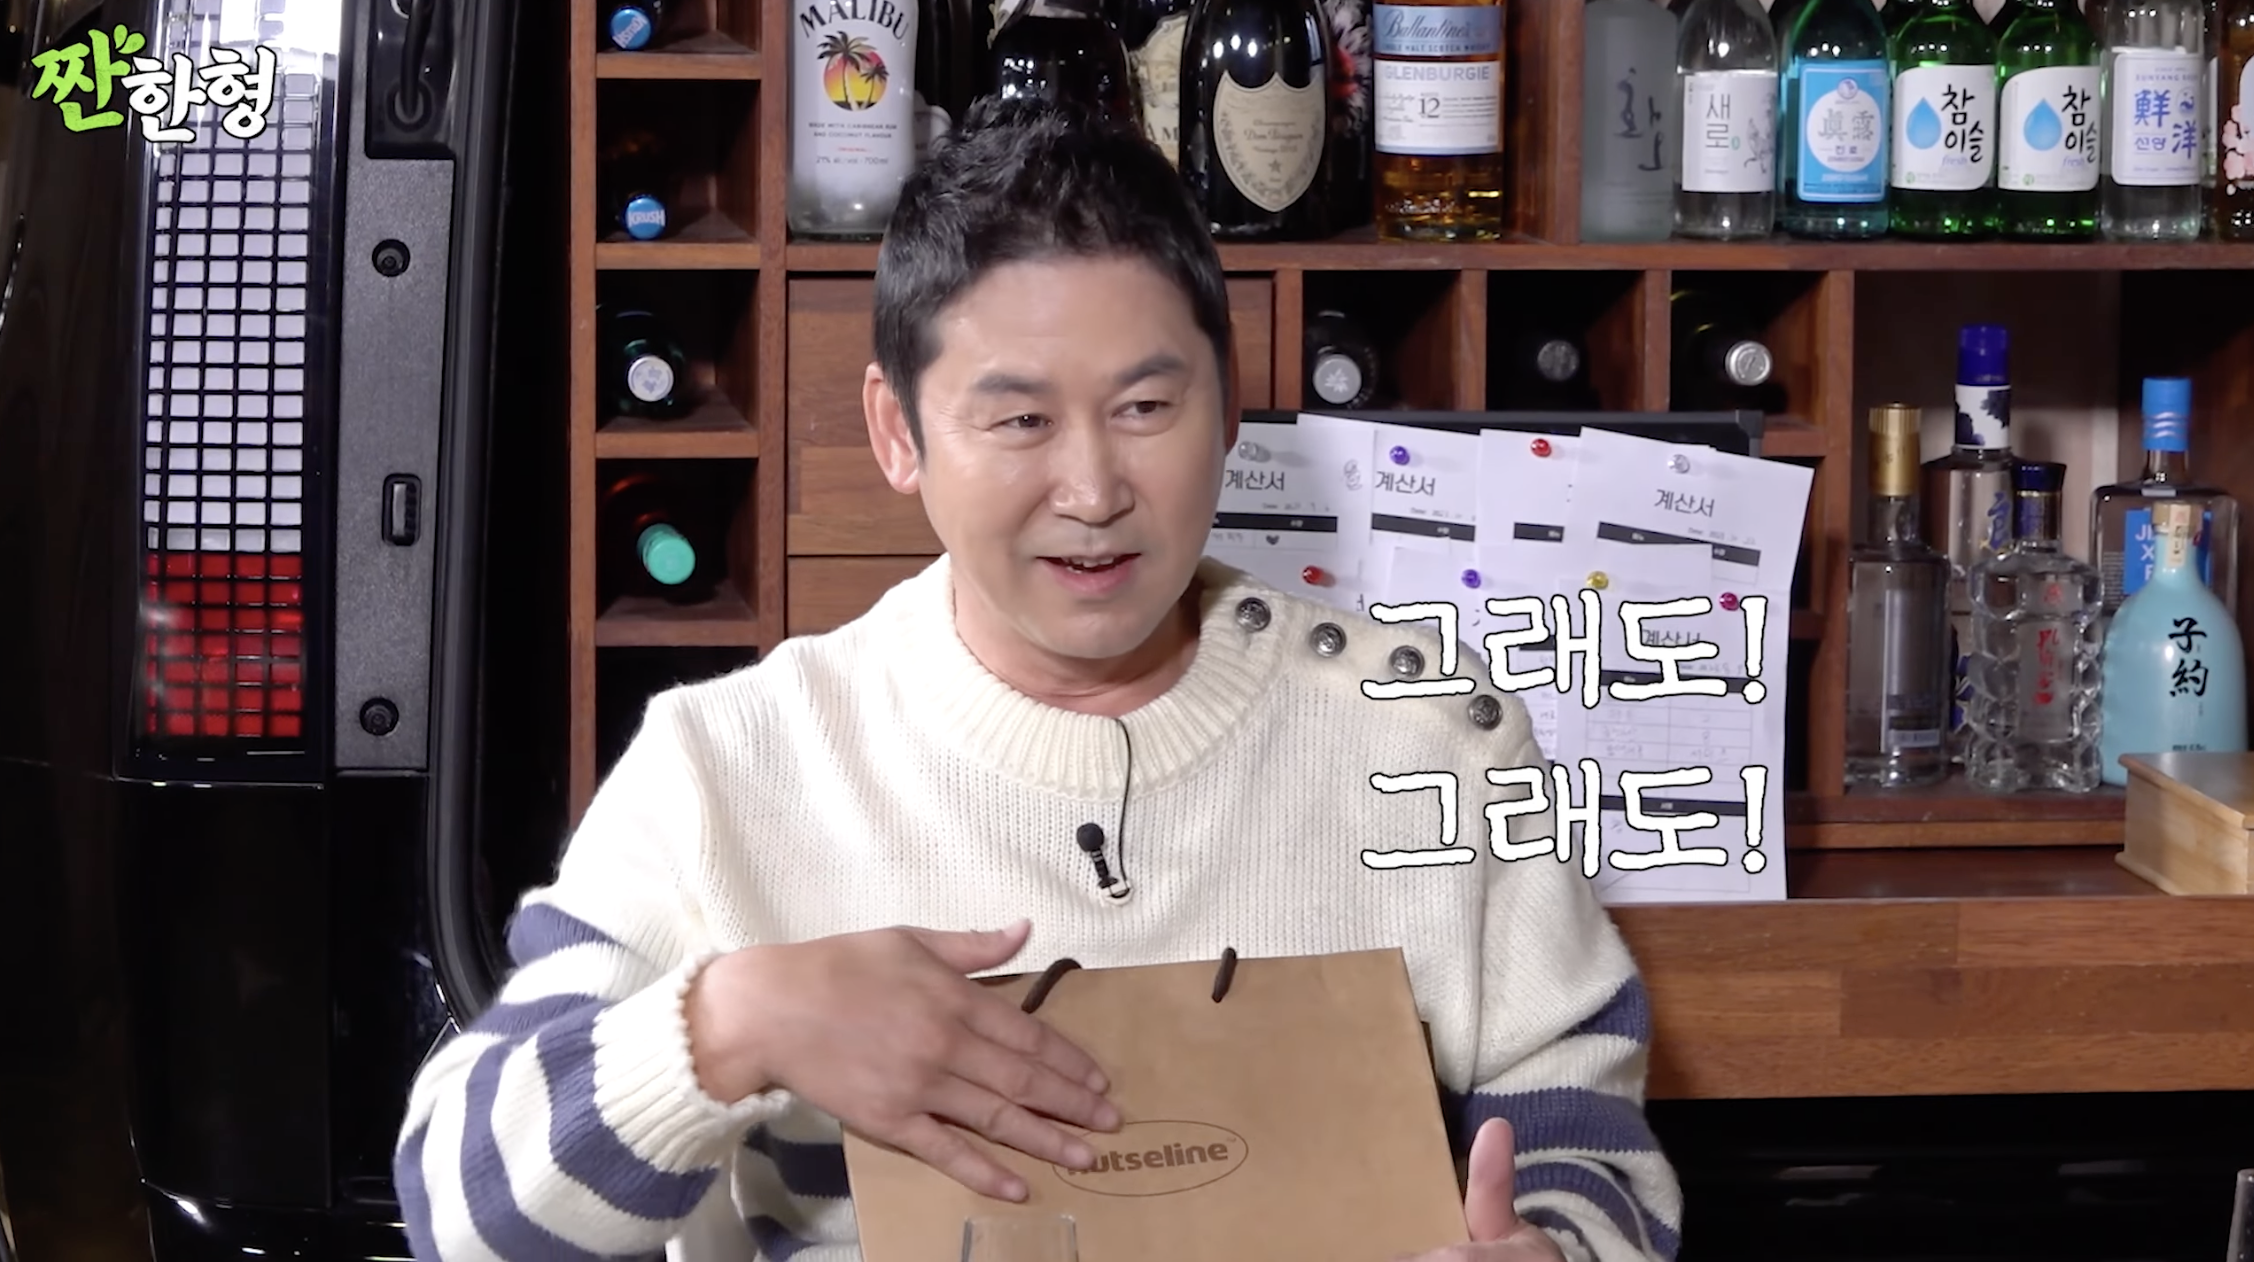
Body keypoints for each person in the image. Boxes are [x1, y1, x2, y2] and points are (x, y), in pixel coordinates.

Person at [394, 97, 1682, 1262]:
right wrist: (732, 1026)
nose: (1093, 490)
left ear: (1230, 406)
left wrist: (1556, 1250)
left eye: (1145, 408)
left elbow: (1586, 1129)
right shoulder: (729, 767)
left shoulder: (1428, 729)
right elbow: (461, 1212)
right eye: (1019, 420)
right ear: (897, 431)